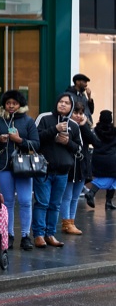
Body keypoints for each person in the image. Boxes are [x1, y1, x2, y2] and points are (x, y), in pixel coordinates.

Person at [0, 90, 40, 249]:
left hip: (23, 166)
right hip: (3, 166)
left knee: (25, 201)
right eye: (8, 103)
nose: (11, 106)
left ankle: (25, 236)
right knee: (7, 201)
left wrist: (19, 140)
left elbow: (36, 144)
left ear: (20, 104)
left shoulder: (28, 121)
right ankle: (8, 234)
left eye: (14, 103)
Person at [34, 93, 82, 248]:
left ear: (71, 107)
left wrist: (68, 142)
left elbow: (79, 149)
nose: (63, 105)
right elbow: (34, 140)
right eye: (60, 101)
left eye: (67, 103)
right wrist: (54, 130)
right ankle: (39, 235)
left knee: (55, 204)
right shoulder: (44, 118)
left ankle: (50, 234)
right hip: (44, 169)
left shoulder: (74, 125)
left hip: (63, 171)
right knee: (42, 203)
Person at [61, 102, 96, 236]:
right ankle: (66, 223)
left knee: (75, 196)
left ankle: (71, 222)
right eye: (76, 113)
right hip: (69, 164)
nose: (78, 116)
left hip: (82, 165)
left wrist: (84, 126)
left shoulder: (84, 127)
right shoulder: (66, 125)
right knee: (67, 195)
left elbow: (95, 141)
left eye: (81, 113)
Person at [89, 111, 116, 211]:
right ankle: (93, 193)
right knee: (112, 177)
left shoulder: (95, 130)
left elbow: (91, 140)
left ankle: (106, 201)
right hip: (112, 159)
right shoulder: (114, 131)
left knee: (112, 178)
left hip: (97, 159)